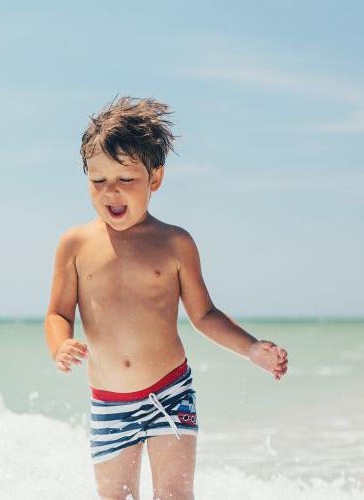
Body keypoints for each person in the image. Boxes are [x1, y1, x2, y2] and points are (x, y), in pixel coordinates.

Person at [43, 96, 289, 500]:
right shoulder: (75, 244)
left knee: (174, 496)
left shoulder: (175, 243)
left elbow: (204, 314)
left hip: (169, 392)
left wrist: (251, 349)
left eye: (126, 180)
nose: (111, 193)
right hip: (109, 403)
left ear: (155, 179)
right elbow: (57, 312)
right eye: (98, 181)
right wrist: (60, 345)